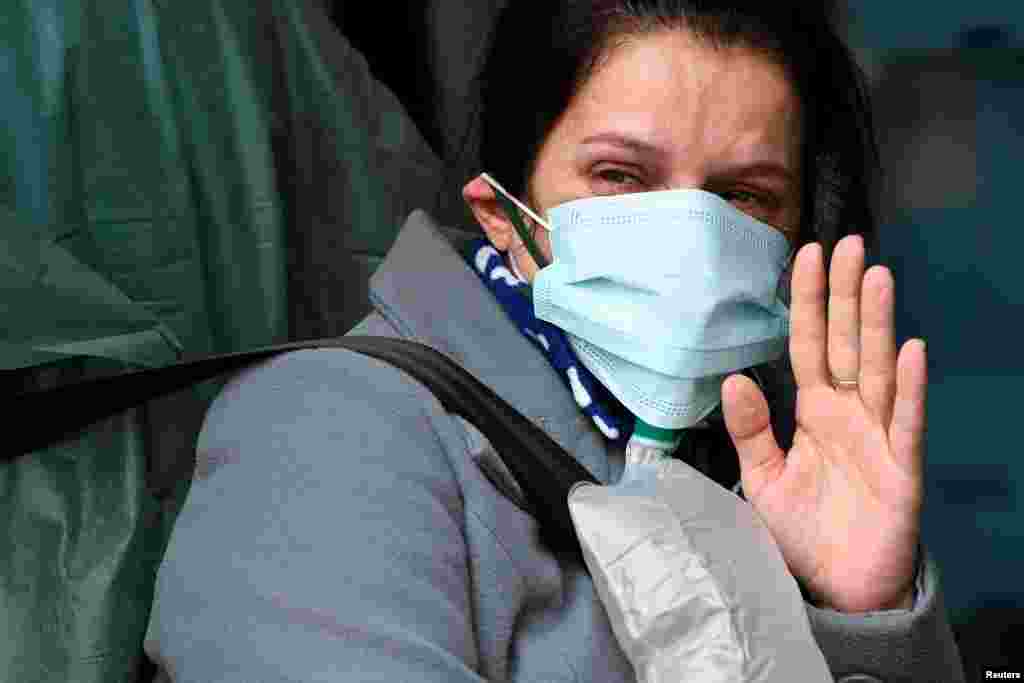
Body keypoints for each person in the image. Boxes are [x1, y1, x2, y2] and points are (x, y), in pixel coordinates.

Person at [145, 1, 966, 681]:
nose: (688, 238)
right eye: (619, 176)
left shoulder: (766, 470)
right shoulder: (326, 438)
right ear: (506, 218)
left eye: (744, 195)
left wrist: (865, 613)